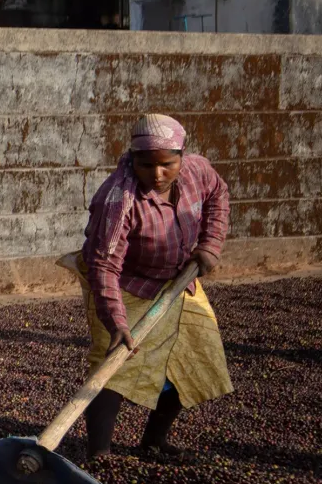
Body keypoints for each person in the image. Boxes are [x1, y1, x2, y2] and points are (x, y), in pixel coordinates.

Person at [74, 113, 232, 463]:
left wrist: (210, 244)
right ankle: (99, 454)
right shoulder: (119, 200)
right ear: (133, 159)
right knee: (114, 364)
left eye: (167, 165)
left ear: (181, 157)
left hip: (178, 281)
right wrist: (115, 321)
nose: (157, 175)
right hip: (124, 285)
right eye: (146, 165)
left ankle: (154, 442)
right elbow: (104, 265)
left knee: (193, 357)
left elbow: (219, 195)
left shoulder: (198, 171)